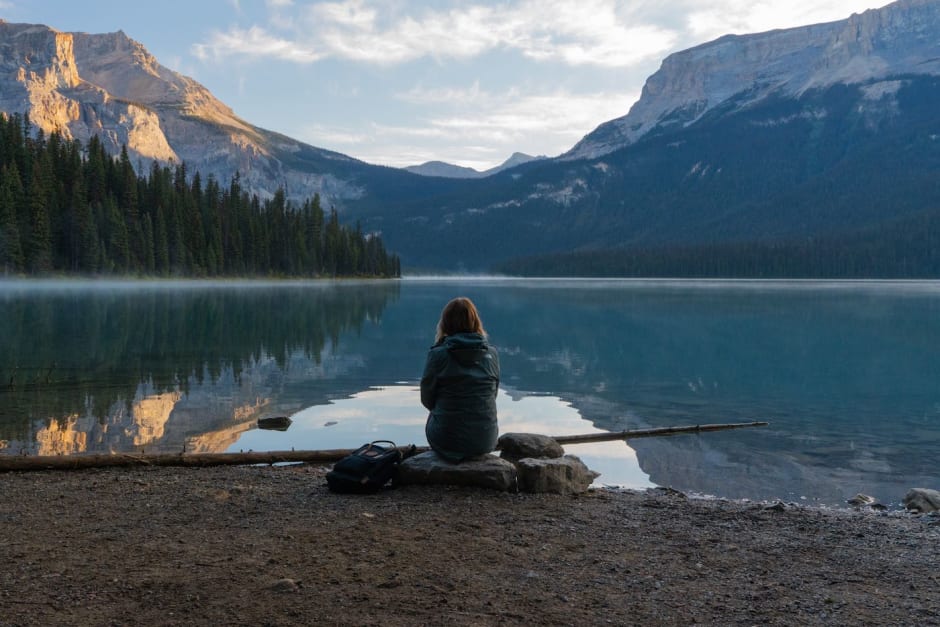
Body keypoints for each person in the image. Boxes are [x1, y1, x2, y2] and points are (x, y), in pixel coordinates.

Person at [420, 297, 500, 462]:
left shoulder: (438, 355)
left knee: (434, 415)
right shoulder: (492, 354)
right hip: (486, 440)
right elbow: (493, 395)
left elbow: (427, 400)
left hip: (447, 440)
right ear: (476, 321)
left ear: (445, 323)